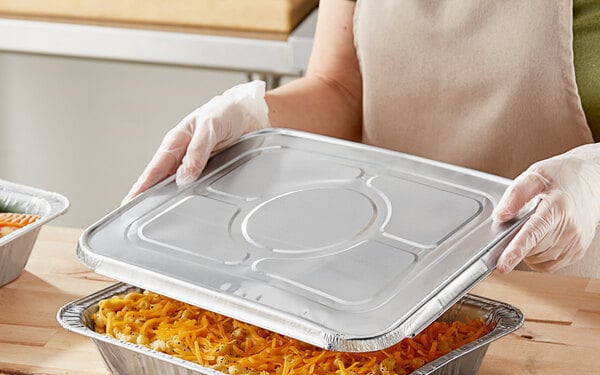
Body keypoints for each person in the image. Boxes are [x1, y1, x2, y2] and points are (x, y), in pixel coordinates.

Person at [125, 0, 600, 278]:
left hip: (571, 289)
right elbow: (341, 88)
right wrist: (255, 116)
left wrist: (591, 178)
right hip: (390, 278)